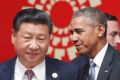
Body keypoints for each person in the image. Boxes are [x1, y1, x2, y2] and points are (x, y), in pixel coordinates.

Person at [0, 8, 76, 80]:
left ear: (49, 39)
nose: (34, 46)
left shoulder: (69, 73)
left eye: (41, 39)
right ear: (13, 36)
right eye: (27, 37)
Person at [70, 7, 120, 80]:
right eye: (72, 33)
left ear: (100, 31)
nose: (73, 38)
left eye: (79, 31)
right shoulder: (74, 66)